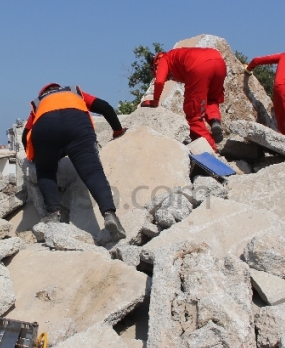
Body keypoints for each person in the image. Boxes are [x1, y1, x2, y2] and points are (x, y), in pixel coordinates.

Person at [22, 83, 127, 240]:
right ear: (59, 88)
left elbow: (25, 135)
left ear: (44, 93)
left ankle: (53, 213)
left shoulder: (39, 102)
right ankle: (109, 214)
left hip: (46, 127)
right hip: (76, 123)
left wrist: (36, 157)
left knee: (46, 171)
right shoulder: (74, 92)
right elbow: (104, 107)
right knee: (92, 172)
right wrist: (118, 130)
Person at [140, 47, 226, 149]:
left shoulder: (164, 59)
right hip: (219, 61)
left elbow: (159, 81)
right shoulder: (176, 55)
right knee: (211, 98)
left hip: (198, 67)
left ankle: (211, 148)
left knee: (193, 114)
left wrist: (155, 101)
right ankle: (214, 121)